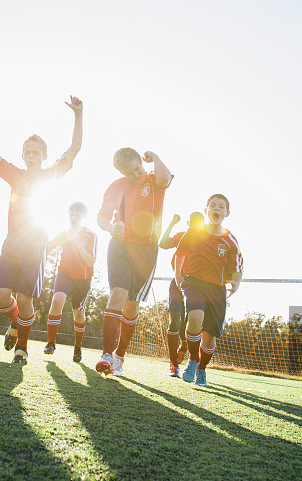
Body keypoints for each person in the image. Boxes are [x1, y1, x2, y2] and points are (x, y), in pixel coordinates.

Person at [0, 96, 83, 365]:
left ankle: (21, 349)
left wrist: (78, 115)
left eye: (36, 152)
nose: (31, 156)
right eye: (27, 152)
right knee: (1, 296)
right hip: (12, 242)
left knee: (24, 298)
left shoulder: (50, 174)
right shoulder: (14, 173)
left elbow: (74, 149)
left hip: (36, 245)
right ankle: (15, 323)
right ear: (22, 155)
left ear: (44, 156)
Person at [96, 147, 172, 376]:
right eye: (129, 173)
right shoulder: (116, 187)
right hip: (120, 246)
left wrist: (156, 157)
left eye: (137, 169)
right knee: (117, 295)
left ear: (142, 162)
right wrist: (111, 227)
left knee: (131, 305)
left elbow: (166, 178)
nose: (135, 175)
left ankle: (119, 355)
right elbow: (101, 218)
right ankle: (106, 355)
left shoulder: (155, 180)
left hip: (146, 251)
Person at [174, 194, 243, 387]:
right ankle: (192, 360)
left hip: (217, 289)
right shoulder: (193, 232)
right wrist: (178, 276)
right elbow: (179, 253)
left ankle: (202, 369)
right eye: (212, 205)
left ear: (227, 213)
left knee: (209, 336)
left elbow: (237, 267)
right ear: (206, 210)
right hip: (193, 283)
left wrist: (236, 282)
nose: (216, 209)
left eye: (221, 207)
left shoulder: (230, 240)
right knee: (195, 318)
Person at [44, 202, 97, 362]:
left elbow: (90, 261)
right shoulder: (64, 232)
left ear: (83, 218)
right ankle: (51, 342)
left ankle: (78, 346)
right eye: (71, 214)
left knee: (78, 312)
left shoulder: (91, 235)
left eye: (77, 215)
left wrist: (77, 242)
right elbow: (48, 247)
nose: (73, 218)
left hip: (83, 279)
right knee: (57, 299)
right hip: (65, 273)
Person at [158, 211, 205, 377]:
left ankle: (187, 349)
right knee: (174, 323)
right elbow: (162, 244)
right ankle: (173, 364)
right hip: (177, 285)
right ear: (188, 223)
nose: (194, 225)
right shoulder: (182, 236)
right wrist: (172, 223)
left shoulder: (207, 241)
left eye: (198, 222)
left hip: (196, 287)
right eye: (192, 221)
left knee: (190, 325)